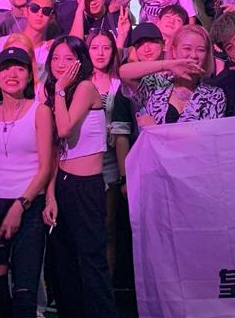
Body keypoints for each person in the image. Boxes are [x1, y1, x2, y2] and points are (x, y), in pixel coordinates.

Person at [44, 36, 118, 318]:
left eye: (68, 58)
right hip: (63, 183)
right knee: (64, 263)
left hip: (86, 186)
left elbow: (64, 130)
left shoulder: (85, 88)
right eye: (55, 58)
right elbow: (55, 150)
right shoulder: (57, 94)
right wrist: (50, 194)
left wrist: (59, 90)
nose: (60, 64)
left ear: (80, 61)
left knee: (92, 261)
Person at [0, 47, 52, 318]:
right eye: (5, 68)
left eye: (20, 68)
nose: (12, 74)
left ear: (29, 76)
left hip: (29, 203)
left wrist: (20, 205)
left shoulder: (40, 111)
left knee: (25, 292)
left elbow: (45, 168)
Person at [86, 31, 130, 277]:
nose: (100, 53)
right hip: (84, 161)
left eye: (106, 47)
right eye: (95, 48)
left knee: (108, 227)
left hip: (111, 161)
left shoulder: (119, 83)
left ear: (114, 51)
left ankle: (107, 284)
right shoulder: (80, 82)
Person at [119, 25, 225, 125]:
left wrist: (156, 130)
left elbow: (208, 135)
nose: (193, 55)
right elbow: (124, 73)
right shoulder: (157, 84)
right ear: (174, 51)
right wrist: (168, 65)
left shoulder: (215, 95)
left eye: (201, 50)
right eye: (187, 48)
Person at [0, 0, 56, 81]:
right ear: (25, 11)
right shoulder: (2, 43)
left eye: (46, 11)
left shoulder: (52, 51)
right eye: (34, 8)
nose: (40, 14)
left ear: (51, 18)